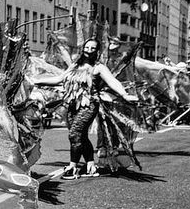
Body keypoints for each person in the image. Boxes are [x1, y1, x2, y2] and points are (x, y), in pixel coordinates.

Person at [32, 39, 138, 179]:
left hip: (89, 105)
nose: (88, 50)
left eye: (92, 48)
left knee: (74, 134)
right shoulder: (75, 65)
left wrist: (124, 94)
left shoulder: (99, 67)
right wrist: (37, 80)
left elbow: (112, 81)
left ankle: (73, 166)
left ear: (97, 51)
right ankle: (90, 165)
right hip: (72, 105)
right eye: (86, 47)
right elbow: (60, 79)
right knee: (81, 136)